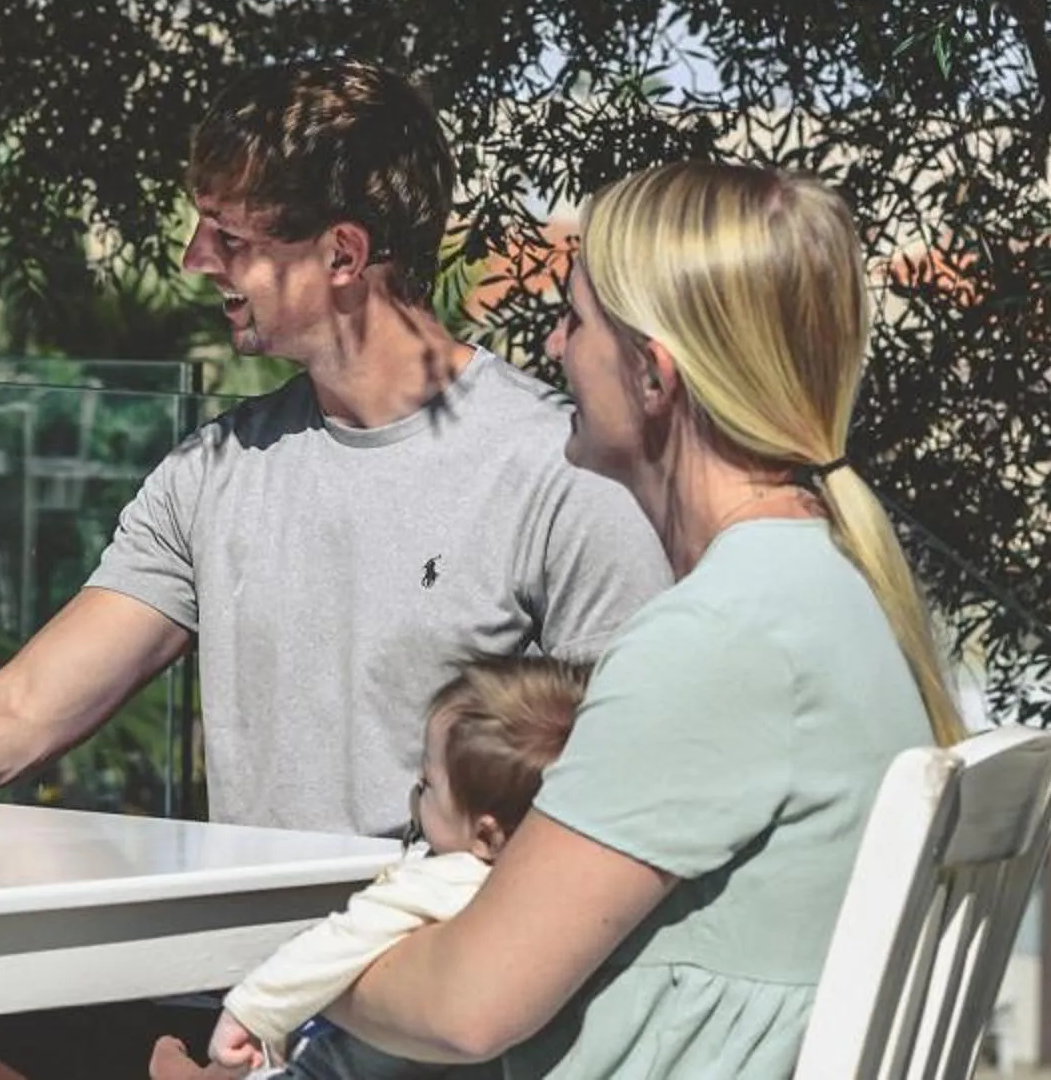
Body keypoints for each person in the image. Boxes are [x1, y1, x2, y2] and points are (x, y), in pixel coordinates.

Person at [0, 62, 671, 1080]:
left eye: (231, 235)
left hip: (427, 1023)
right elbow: (21, 710)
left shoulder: (561, 477)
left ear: (342, 254)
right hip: (235, 991)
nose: (193, 259)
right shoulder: (213, 470)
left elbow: (606, 846)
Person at [280, 161, 965, 1079]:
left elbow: (464, 1010)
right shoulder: (838, 584)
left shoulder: (722, 639)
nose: (554, 349)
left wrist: (276, 973)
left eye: (574, 320)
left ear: (653, 376)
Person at [210, 657, 591, 1074]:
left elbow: (336, 944)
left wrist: (249, 1012)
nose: (415, 792)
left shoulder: (446, 880)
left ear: (485, 836)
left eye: (427, 785)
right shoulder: (560, 891)